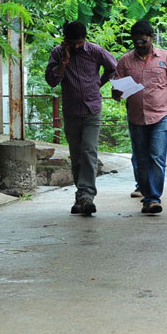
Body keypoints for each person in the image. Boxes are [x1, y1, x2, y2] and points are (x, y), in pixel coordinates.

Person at [45, 21, 117, 216]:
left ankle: (87, 195)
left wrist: (98, 83)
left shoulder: (95, 51)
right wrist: (64, 61)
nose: (76, 46)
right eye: (72, 43)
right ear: (65, 40)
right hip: (71, 111)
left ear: (84, 39)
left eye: (79, 42)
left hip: (92, 108)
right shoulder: (57, 53)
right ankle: (81, 196)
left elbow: (113, 68)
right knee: (76, 154)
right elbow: (52, 81)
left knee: (88, 150)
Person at [113, 21, 167, 214]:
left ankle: (153, 198)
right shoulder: (125, 61)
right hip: (136, 117)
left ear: (151, 38)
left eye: (143, 41)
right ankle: (147, 195)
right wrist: (117, 91)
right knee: (141, 159)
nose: (140, 45)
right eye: (136, 42)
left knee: (157, 157)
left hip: (161, 115)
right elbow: (117, 92)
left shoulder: (165, 58)